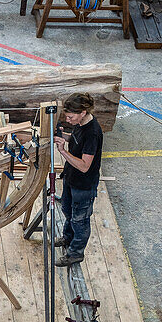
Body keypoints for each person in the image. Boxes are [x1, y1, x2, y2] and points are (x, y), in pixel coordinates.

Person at [53, 92, 103, 266]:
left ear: (83, 112)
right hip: (70, 177)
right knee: (67, 210)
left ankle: (76, 253)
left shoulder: (92, 133)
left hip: (83, 185)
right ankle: (67, 238)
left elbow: (84, 166)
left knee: (79, 220)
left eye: (70, 116)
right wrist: (63, 138)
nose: (68, 120)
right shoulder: (80, 123)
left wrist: (63, 152)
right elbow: (74, 139)